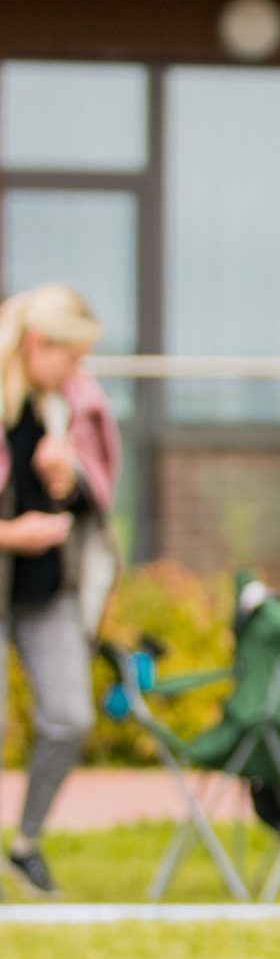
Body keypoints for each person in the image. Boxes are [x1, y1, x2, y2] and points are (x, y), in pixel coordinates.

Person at [0, 285, 119, 900]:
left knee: (70, 716)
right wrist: (9, 535)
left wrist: (64, 480)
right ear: (36, 343)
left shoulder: (69, 407)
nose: (78, 372)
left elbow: (91, 497)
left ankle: (25, 846)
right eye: (70, 357)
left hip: (46, 590)